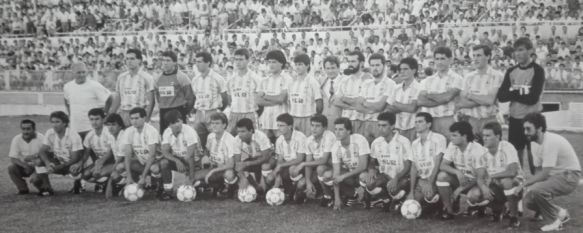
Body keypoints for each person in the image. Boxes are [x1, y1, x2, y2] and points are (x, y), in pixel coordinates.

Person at [520, 113, 581, 231]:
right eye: (524, 128)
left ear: (540, 128)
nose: (525, 132)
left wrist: (525, 184)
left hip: (570, 176)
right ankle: (560, 212)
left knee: (535, 190)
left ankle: (555, 222)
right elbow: (538, 171)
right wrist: (531, 187)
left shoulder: (550, 141)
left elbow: (545, 173)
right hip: (557, 176)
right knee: (528, 200)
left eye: (528, 129)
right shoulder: (533, 143)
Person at [497, 38, 546, 173]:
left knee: (534, 156)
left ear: (530, 51)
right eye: (515, 51)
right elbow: (501, 97)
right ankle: (519, 185)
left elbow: (532, 98)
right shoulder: (511, 71)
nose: (517, 54)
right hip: (515, 119)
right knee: (515, 155)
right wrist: (519, 94)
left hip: (533, 118)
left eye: (521, 50)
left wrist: (513, 92)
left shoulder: (538, 70)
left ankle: (537, 188)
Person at [466, 121, 523, 228]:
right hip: (495, 185)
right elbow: (480, 176)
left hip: (516, 185)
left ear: (498, 136)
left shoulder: (507, 147)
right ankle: (498, 209)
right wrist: (483, 188)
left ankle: (514, 217)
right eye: (483, 135)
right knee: (472, 196)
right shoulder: (482, 151)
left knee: (506, 182)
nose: (485, 138)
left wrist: (492, 176)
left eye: (488, 135)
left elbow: (512, 172)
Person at [360, 112, 412, 211]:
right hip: (385, 175)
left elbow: (407, 166)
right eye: (379, 125)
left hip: (401, 177)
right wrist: (371, 170)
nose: (380, 128)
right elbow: (372, 161)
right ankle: (386, 200)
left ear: (392, 126)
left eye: (384, 125)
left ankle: (400, 199)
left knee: (394, 190)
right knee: (369, 184)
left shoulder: (404, 142)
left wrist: (396, 178)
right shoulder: (376, 142)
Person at [436, 121, 488, 220]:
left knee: (473, 196)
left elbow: (479, 177)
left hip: (478, 183)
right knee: (442, 176)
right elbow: (443, 165)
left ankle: (480, 206)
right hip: (462, 180)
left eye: (454, 135)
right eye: (451, 135)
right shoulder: (452, 145)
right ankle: (449, 211)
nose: (451, 138)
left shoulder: (477, 150)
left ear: (464, 136)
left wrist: (459, 189)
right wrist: (457, 172)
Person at [456, 45, 504, 137]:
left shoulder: (497, 75)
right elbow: (462, 102)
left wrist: (470, 95)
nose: (475, 58)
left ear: (488, 56)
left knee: (490, 150)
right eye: (474, 56)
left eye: (479, 55)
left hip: (490, 120)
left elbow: (490, 100)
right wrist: (483, 99)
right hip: (472, 121)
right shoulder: (468, 77)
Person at [326, 117, 370, 210]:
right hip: (350, 176)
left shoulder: (359, 140)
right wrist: (337, 199)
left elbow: (363, 166)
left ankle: (368, 197)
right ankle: (352, 194)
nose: (337, 132)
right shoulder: (335, 147)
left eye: (341, 129)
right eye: (336, 129)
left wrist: (343, 177)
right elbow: (336, 174)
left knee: (364, 177)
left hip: (363, 172)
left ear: (349, 131)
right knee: (328, 176)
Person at [417, 47, 463, 138]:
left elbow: (447, 97)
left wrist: (428, 95)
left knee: (448, 148)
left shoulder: (457, 78)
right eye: (437, 59)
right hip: (429, 121)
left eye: (442, 59)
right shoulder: (427, 80)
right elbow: (420, 101)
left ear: (450, 60)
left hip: (448, 119)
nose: (439, 62)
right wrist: (443, 97)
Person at [290, 114, 336, 205]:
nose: (314, 128)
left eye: (317, 126)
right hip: (320, 169)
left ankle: (329, 196)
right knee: (301, 183)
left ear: (325, 128)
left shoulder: (329, 137)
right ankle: (312, 192)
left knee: (320, 168)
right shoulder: (309, 140)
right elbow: (309, 162)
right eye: (312, 125)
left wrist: (303, 164)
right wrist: (308, 182)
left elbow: (324, 160)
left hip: (334, 168)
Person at [117, 107, 162, 197]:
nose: (134, 121)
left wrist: (143, 177)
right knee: (120, 167)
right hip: (141, 163)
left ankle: (157, 186)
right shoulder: (128, 131)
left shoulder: (151, 131)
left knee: (155, 169)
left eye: (137, 118)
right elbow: (128, 155)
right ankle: (133, 184)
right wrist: (128, 176)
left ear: (144, 118)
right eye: (132, 119)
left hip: (155, 162)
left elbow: (152, 156)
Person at [37, 111, 85, 195]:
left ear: (65, 123)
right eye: (52, 122)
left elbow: (75, 158)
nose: (54, 125)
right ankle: (46, 188)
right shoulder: (50, 132)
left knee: (74, 169)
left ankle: (78, 183)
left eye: (57, 122)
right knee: (38, 161)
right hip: (58, 160)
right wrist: (48, 163)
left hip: (71, 163)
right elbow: (42, 151)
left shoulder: (73, 135)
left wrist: (59, 167)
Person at [63, 62, 113, 139]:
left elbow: (109, 98)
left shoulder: (94, 85)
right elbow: (66, 100)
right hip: (75, 127)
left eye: (84, 72)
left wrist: (104, 114)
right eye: (79, 72)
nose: (82, 75)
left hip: (91, 128)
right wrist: (70, 114)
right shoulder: (68, 86)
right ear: (73, 73)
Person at [158, 109, 201, 200]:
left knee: (197, 181)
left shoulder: (190, 131)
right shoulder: (167, 132)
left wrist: (191, 178)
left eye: (178, 121)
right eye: (173, 123)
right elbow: (165, 152)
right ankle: (168, 191)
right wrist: (177, 161)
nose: (177, 124)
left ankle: (197, 183)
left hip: (195, 162)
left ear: (182, 120)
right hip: (180, 160)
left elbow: (191, 156)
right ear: (169, 125)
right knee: (163, 163)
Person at [408, 112, 447, 211]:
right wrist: (411, 191)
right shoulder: (415, 143)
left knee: (430, 195)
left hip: (436, 179)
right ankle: (428, 203)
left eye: (420, 122)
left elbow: (438, 163)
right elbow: (413, 167)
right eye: (416, 122)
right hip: (422, 180)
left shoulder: (439, 139)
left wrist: (430, 183)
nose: (417, 124)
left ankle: (441, 203)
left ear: (429, 124)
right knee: (411, 203)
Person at [193, 112, 238, 197]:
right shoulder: (210, 136)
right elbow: (207, 150)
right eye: (212, 123)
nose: (214, 126)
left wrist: (213, 171)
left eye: (217, 123)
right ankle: (216, 186)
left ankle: (231, 187)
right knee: (194, 178)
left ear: (224, 125)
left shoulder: (230, 140)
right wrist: (206, 156)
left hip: (225, 168)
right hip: (213, 166)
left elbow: (231, 164)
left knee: (229, 174)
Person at [265, 113, 308, 203]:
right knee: (270, 177)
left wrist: (281, 166)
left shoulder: (300, 137)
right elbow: (280, 160)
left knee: (292, 169)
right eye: (278, 125)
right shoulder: (279, 140)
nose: (279, 128)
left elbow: (300, 159)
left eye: (282, 125)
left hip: (301, 166)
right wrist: (276, 173)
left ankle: (299, 190)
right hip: (287, 165)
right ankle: (285, 190)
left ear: (290, 126)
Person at [191, 51, 229, 149]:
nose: (197, 64)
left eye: (200, 62)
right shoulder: (195, 79)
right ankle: (203, 160)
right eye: (196, 62)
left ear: (208, 63)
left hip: (212, 112)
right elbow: (195, 96)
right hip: (199, 113)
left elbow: (225, 97)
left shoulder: (218, 78)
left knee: (215, 138)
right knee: (199, 140)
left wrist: (219, 110)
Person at [356, 53, 395, 143]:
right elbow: (357, 106)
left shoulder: (390, 84)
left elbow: (380, 106)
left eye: (377, 65)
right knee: (365, 152)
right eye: (372, 65)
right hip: (365, 122)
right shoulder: (366, 83)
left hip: (381, 124)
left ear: (384, 66)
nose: (375, 68)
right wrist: (370, 110)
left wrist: (365, 103)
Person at [154, 51, 194, 134]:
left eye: (168, 60)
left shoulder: (182, 77)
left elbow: (190, 97)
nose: (165, 63)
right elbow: (158, 97)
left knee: (181, 137)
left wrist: (184, 112)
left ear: (175, 63)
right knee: (165, 136)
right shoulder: (158, 78)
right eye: (163, 60)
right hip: (164, 111)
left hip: (178, 111)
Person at [333, 51, 372, 138]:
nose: (350, 64)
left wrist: (344, 98)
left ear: (361, 63)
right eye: (349, 61)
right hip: (346, 122)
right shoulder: (344, 80)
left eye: (353, 61)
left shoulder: (368, 79)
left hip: (363, 120)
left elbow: (363, 103)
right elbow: (336, 101)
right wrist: (353, 106)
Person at [256, 50, 292, 143]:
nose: (271, 65)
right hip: (266, 119)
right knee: (265, 146)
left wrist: (265, 95)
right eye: (269, 62)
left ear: (281, 63)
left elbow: (281, 99)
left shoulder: (287, 78)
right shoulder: (265, 80)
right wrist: (275, 100)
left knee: (282, 146)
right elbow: (259, 101)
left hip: (281, 119)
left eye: (274, 62)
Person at [113, 49, 156, 126]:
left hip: (139, 114)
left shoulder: (147, 77)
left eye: (132, 59)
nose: (129, 61)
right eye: (127, 59)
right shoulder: (121, 77)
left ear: (139, 60)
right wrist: (111, 113)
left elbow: (151, 102)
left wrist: (146, 119)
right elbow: (118, 97)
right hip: (124, 114)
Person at [232, 118, 274, 194]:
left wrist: (247, 164)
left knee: (265, 166)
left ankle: (268, 187)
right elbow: (237, 163)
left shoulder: (261, 136)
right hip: (252, 160)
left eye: (243, 131)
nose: (240, 134)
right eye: (238, 131)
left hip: (267, 159)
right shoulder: (236, 140)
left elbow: (266, 157)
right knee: (241, 169)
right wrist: (242, 177)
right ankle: (256, 187)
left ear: (251, 131)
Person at [81, 108, 116, 193]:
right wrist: (79, 164)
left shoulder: (108, 132)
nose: (94, 122)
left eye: (97, 119)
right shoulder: (90, 135)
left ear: (103, 119)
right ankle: (103, 182)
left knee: (98, 173)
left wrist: (99, 164)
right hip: (101, 162)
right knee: (85, 175)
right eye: (92, 119)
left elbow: (110, 152)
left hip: (113, 161)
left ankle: (114, 182)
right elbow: (86, 154)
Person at [387, 57, 421, 142]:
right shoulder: (396, 88)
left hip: (413, 128)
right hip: (397, 128)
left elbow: (412, 108)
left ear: (414, 70)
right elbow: (388, 109)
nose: (402, 71)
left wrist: (396, 104)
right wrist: (405, 107)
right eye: (400, 69)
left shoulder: (419, 88)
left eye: (405, 69)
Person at [227, 49, 261, 135]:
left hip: (249, 113)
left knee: (252, 139)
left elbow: (260, 101)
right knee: (231, 139)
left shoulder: (255, 78)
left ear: (248, 60)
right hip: (234, 113)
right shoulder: (231, 79)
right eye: (236, 59)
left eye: (241, 59)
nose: (238, 62)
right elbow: (229, 99)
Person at [288, 53, 323, 135]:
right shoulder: (292, 82)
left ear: (307, 66)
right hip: (294, 117)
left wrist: (316, 118)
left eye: (300, 64)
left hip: (307, 118)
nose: (297, 67)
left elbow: (319, 102)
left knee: (308, 142)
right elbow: (289, 102)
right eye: (296, 64)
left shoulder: (312, 82)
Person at [8, 119, 45, 195]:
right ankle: (23, 189)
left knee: (39, 184)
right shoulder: (17, 139)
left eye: (28, 129)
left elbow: (48, 156)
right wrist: (25, 165)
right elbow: (13, 158)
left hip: (39, 166)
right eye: (23, 129)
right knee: (11, 168)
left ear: (34, 129)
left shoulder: (41, 138)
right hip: (25, 166)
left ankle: (44, 187)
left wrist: (36, 169)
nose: (25, 132)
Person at [103, 113, 127, 199]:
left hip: (128, 164)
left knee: (117, 170)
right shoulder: (111, 136)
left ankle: (129, 183)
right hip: (119, 164)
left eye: (113, 124)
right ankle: (120, 184)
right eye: (108, 125)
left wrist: (110, 176)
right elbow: (109, 151)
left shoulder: (124, 136)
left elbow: (120, 158)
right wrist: (98, 163)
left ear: (120, 126)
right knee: (99, 172)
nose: (110, 127)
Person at [319, 56, 345, 131]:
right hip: (325, 123)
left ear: (338, 68)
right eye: (328, 68)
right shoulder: (322, 82)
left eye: (333, 68)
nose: (330, 71)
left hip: (340, 123)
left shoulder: (345, 82)